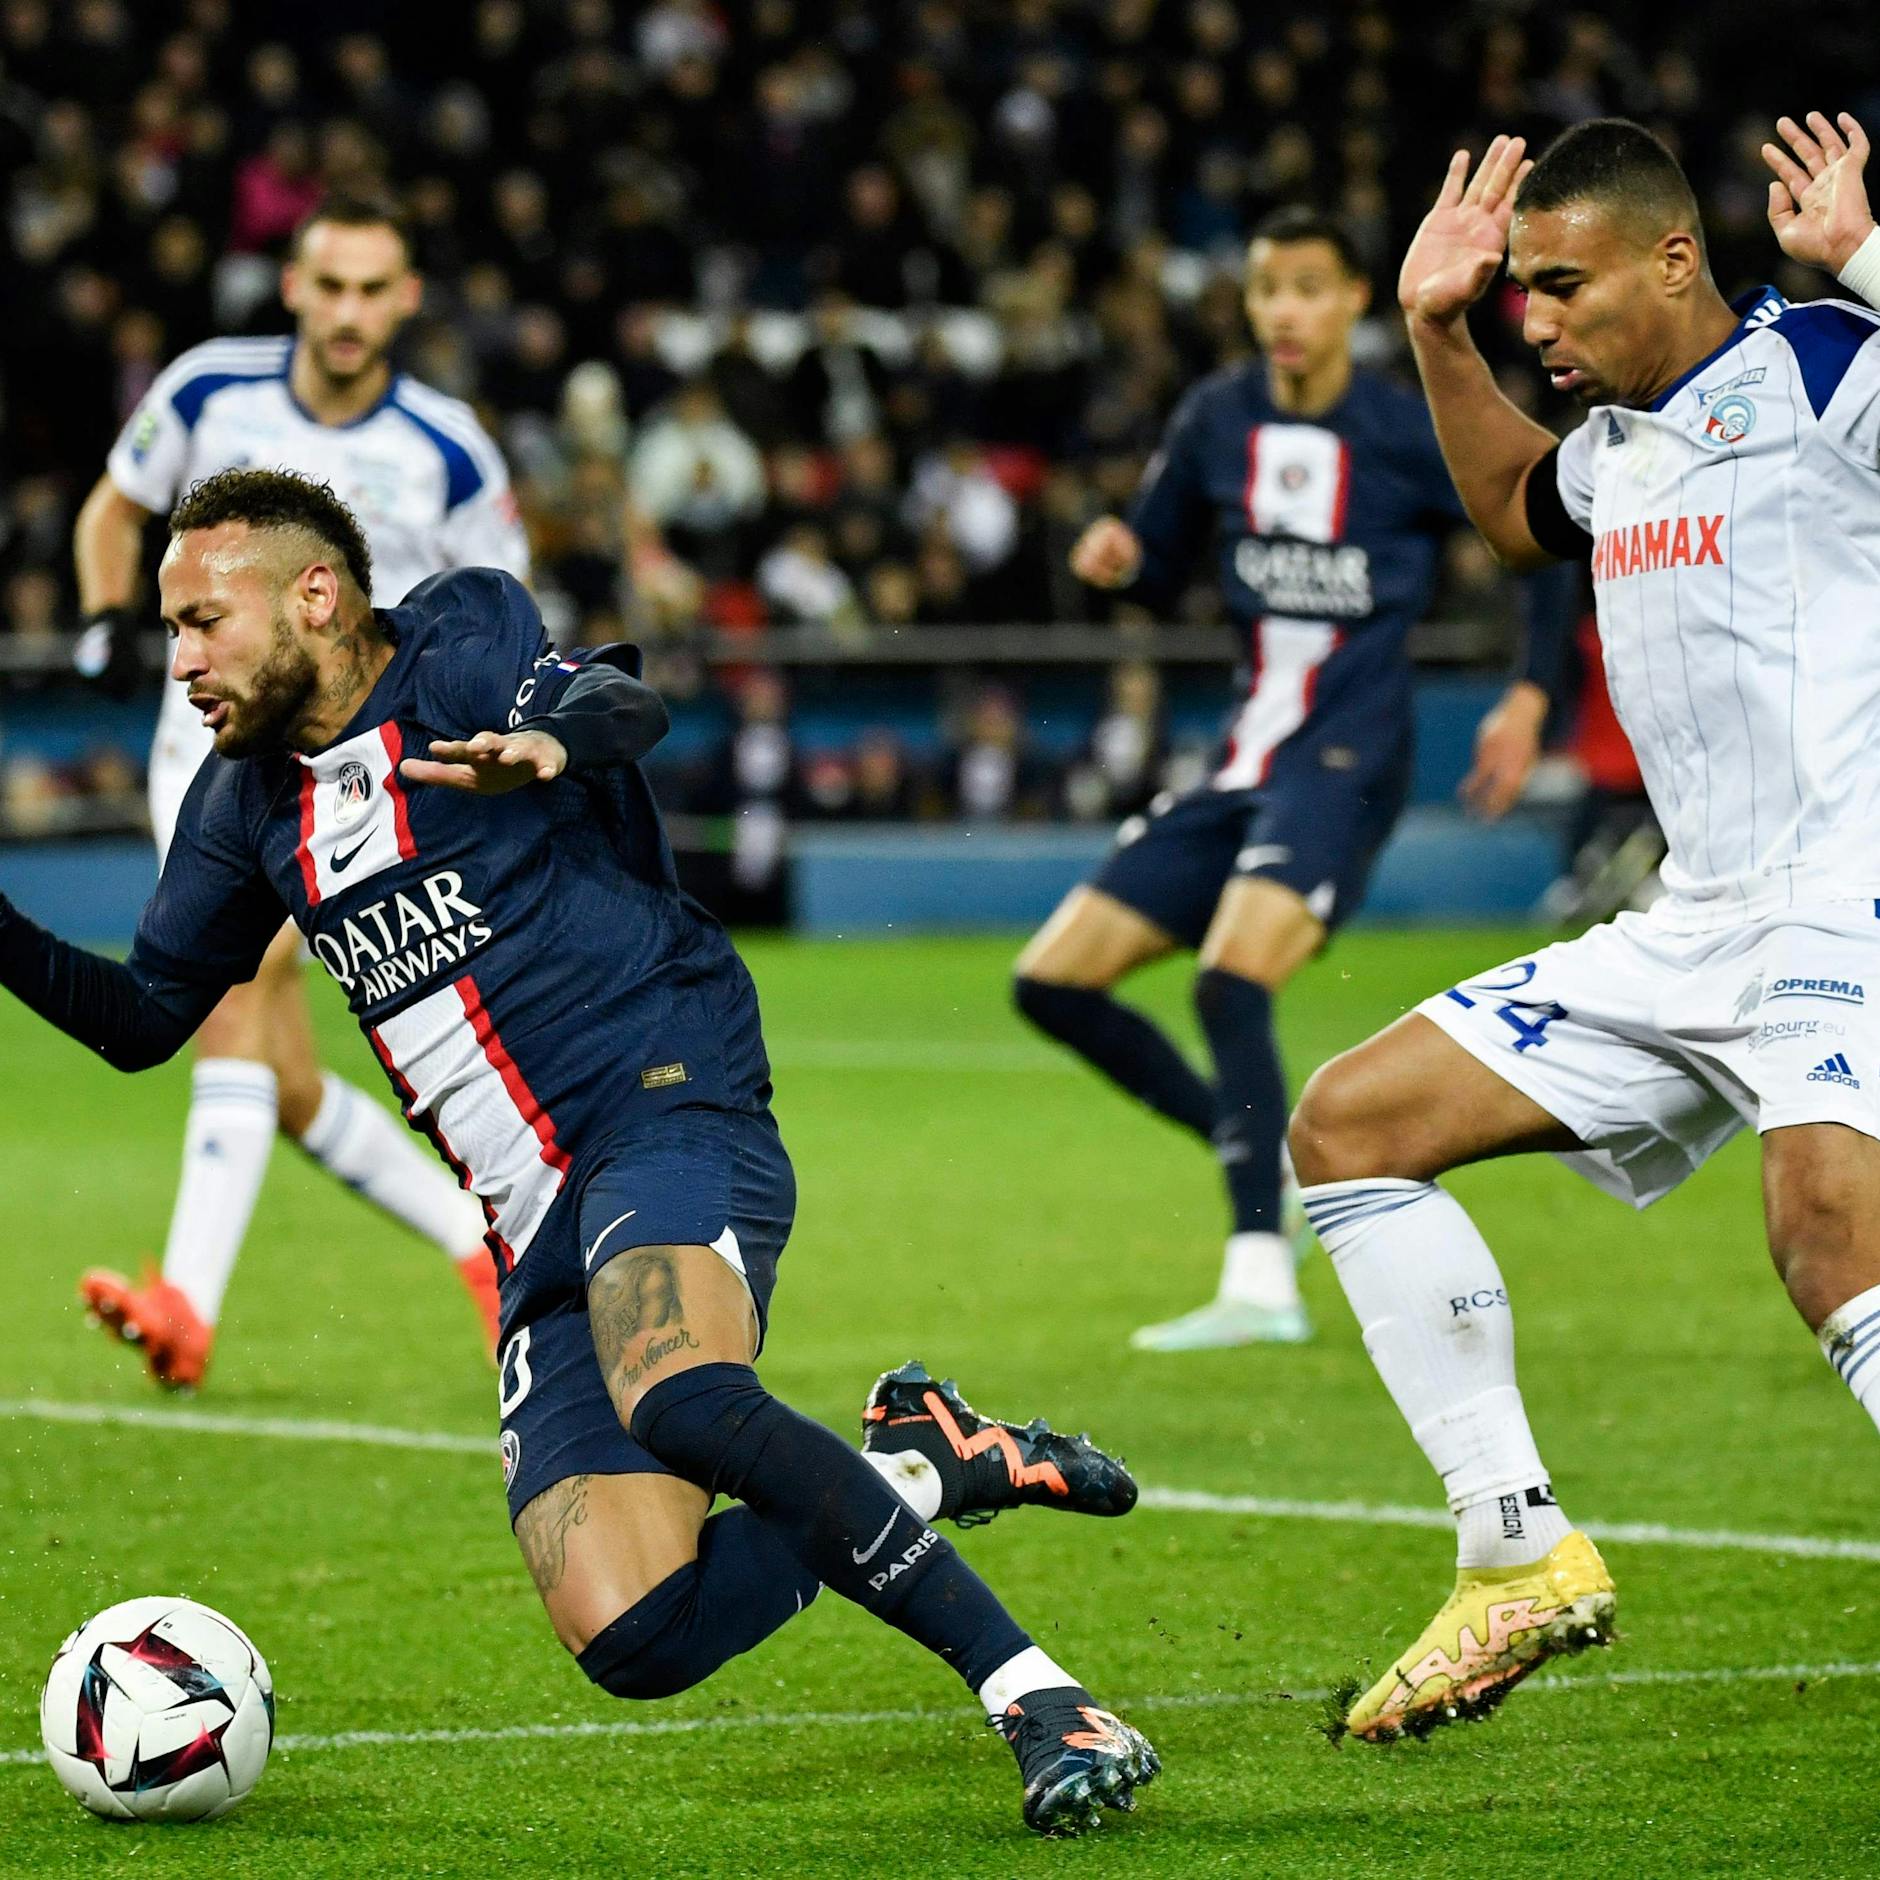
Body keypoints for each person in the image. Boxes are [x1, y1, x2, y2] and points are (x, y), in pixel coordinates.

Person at [0, 468, 1160, 1837]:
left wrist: (553, 739)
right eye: (171, 629)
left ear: (314, 594)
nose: (181, 658)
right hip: (530, 1223)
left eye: (203, 620)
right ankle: (927, 1463)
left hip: (665, 1093)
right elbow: (143, 1023)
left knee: (678, 1389)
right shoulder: (245, 807)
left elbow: (619, 703)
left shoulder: (454, 638)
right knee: (637, 1636)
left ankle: (1038, 1695)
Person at [1289, 111, 1880, 1745]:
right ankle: (1515, 1550)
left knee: (1828, 1236)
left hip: (1854, 892)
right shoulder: (1619, 445)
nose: (1534, 320)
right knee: (1351, 1123)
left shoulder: (1829, 364)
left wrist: (1868, 256)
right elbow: (1510, 512)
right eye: (1519, 295)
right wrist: (1432, 327)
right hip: (1693, 923)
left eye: (1561, 287)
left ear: (1675, 258)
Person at [1014, 206, 1571, 1352]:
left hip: (1347, 753)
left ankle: (1259, 1274)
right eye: (1266, 286)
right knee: (1051, 980)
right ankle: (1258, 1140)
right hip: (1241, 756)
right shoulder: (1217, 417)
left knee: (1228, 980)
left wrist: (1527, 695)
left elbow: (1539, 535)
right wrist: (1117, 562)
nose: (1281, 310)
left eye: (1307, 287)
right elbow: (1158, 559)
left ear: (1354, 300)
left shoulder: (1408, 425)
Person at [71, 193, 531, 1387]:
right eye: (330, 286)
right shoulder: (207, 391)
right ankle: (477, 1245)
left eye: (373, 290)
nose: (348, 312)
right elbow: (112, 510)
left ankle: (185, 1302)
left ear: (407, 299)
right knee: (275, 1071)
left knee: (236, 983)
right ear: (292, 285)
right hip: (203, 744)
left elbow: (501, 599)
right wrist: (100, 621)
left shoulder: (447, 447)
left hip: (358, 767)